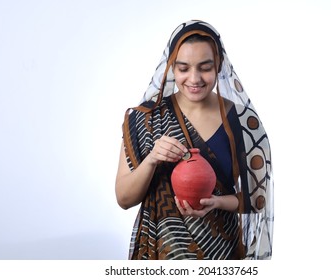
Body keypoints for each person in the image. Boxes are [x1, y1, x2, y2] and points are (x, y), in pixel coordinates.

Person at [115, 20, 274, 260]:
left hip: (221, 253)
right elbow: (124, 199)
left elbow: (257, 200)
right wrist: (151, 159)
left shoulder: (242, 120)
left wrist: (218, 202)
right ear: (171, 68)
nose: (194, 78)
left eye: (205, 67)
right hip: (161, 252)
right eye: (183, 68)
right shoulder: (146, 118)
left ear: (219, 65)